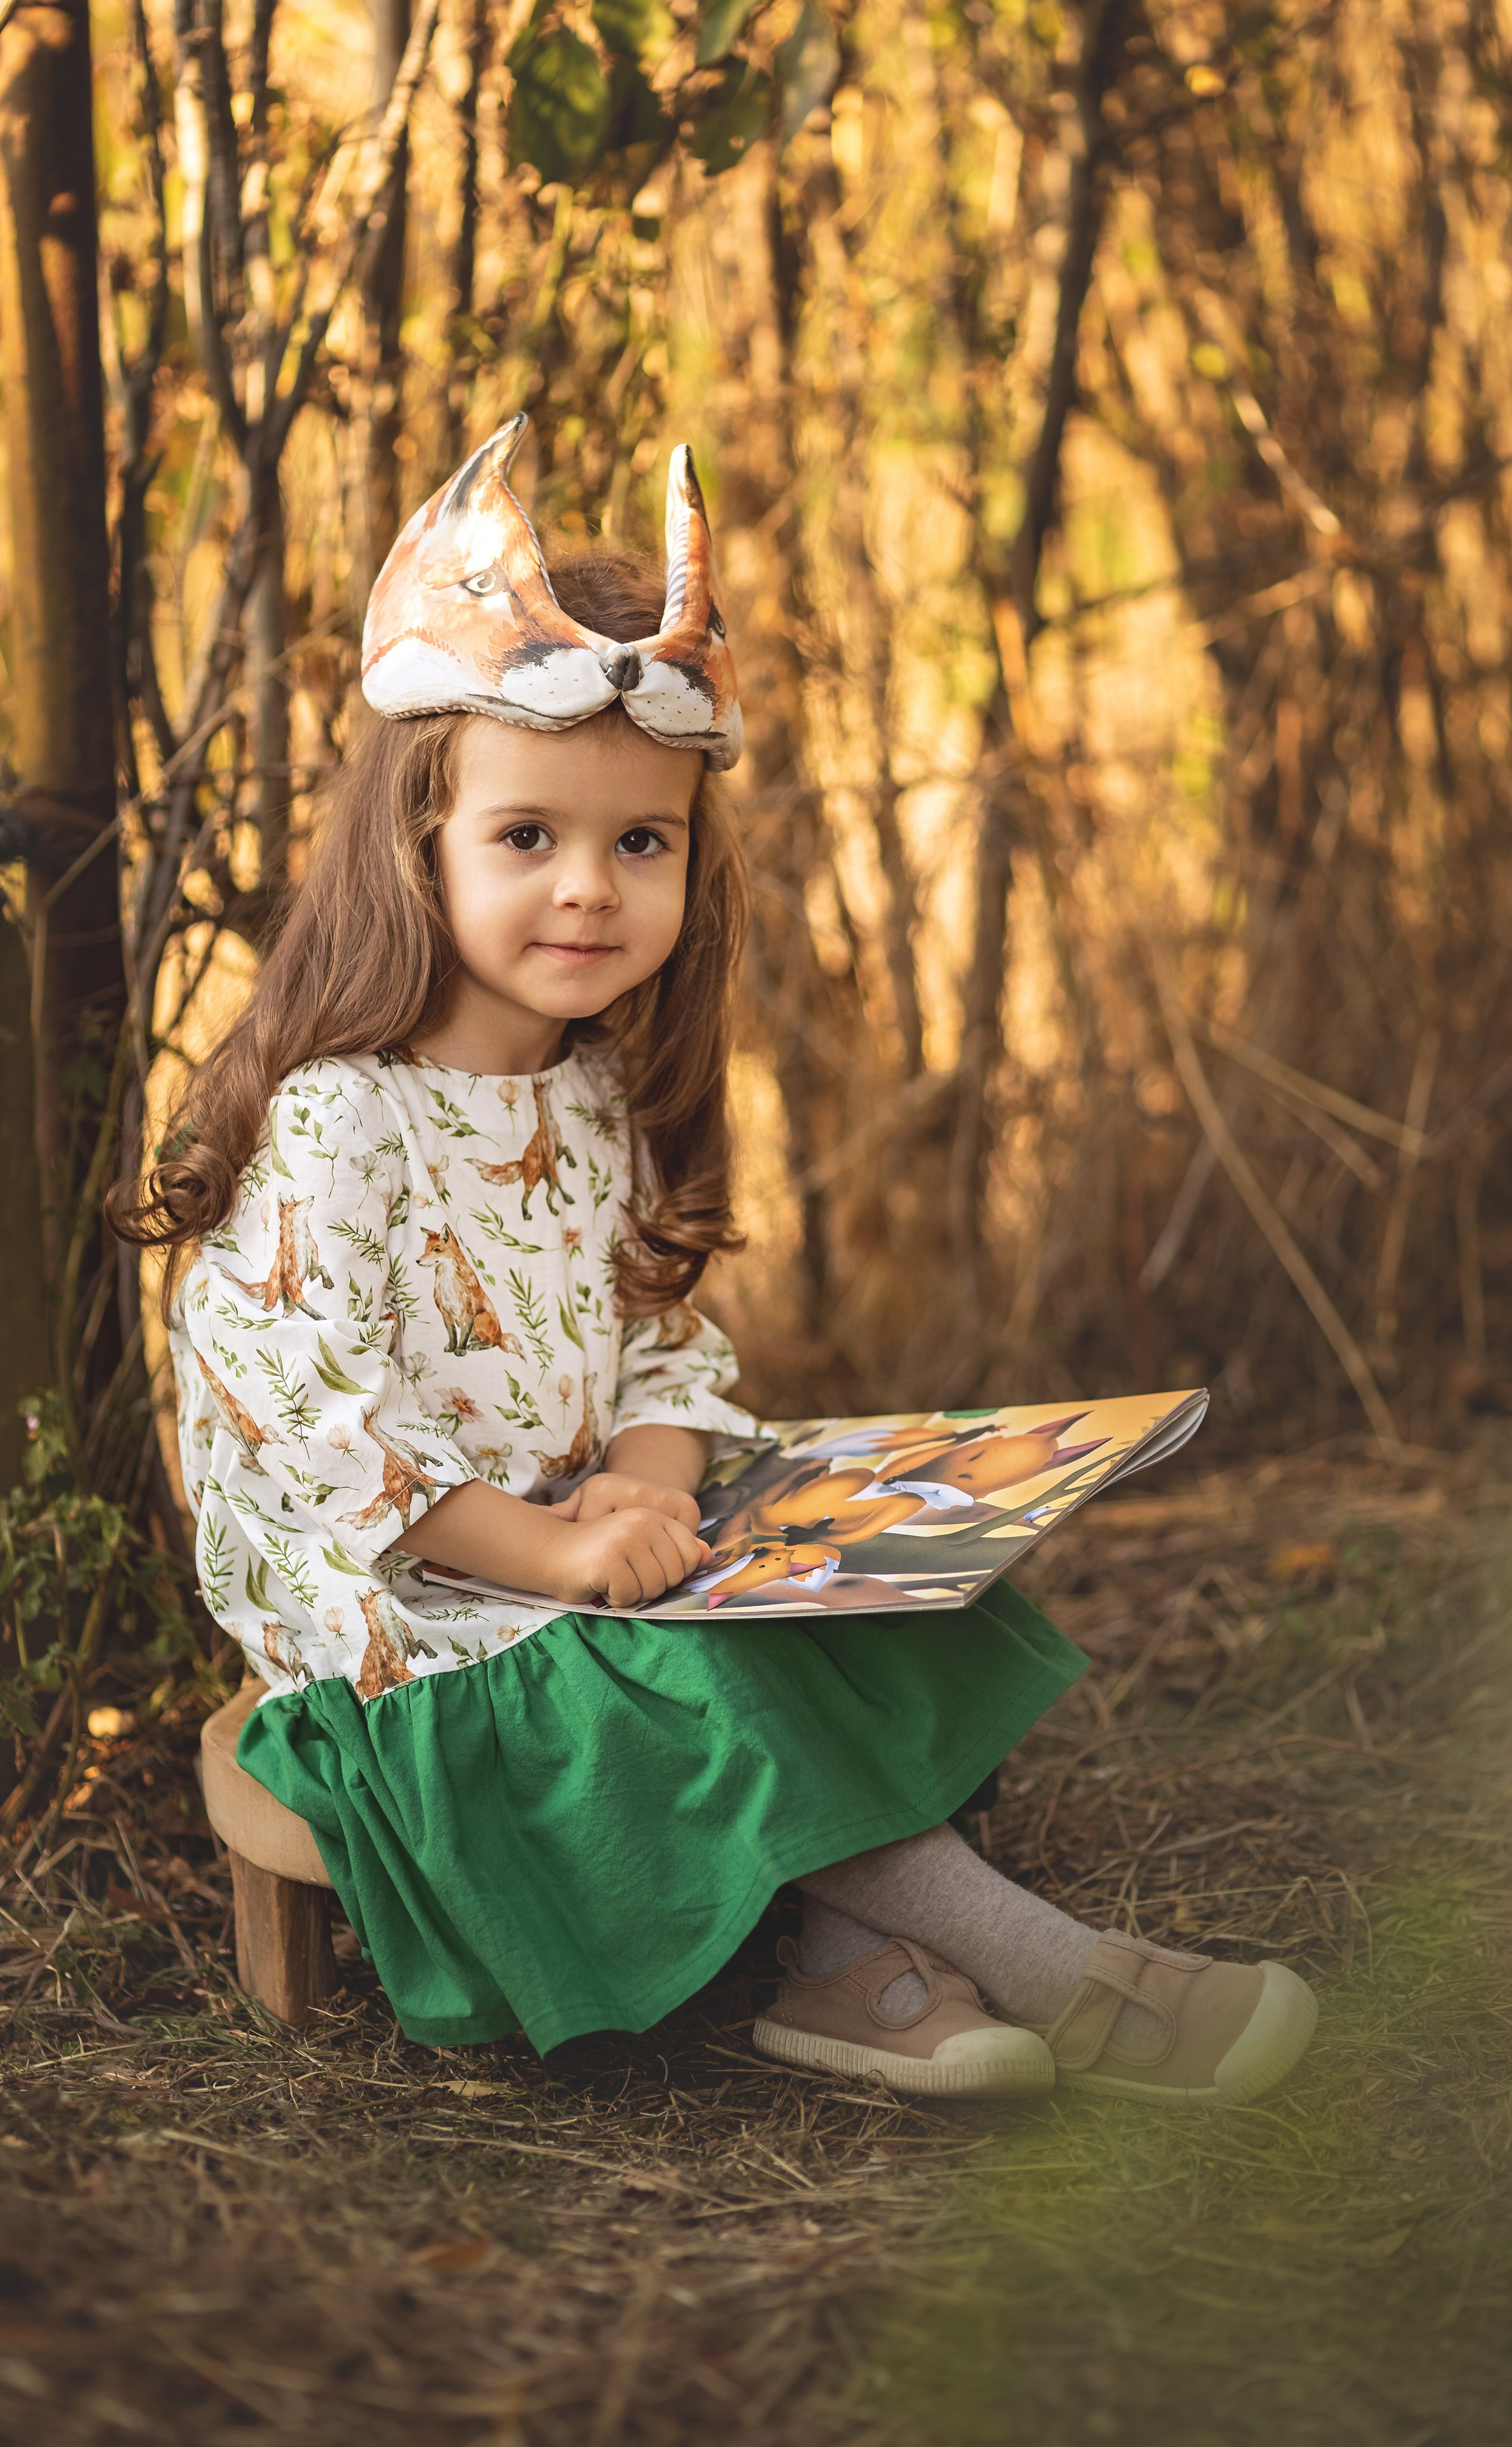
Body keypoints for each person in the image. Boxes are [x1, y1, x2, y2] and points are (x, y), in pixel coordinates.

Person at [110, 415, 1317, 2106]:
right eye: (527, 837)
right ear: (417, 841)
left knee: (857, 1584)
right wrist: (556, 1548)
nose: (590, 891)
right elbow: (323, 1450)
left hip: (582, 1547)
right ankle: (1082, 1981)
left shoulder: (595, 1092)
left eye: (642, 843)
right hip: (417, 1631)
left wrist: (647, 1478)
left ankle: (846, 1977)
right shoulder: (338, 1124)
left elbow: (664, 1347)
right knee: (685, 1676)